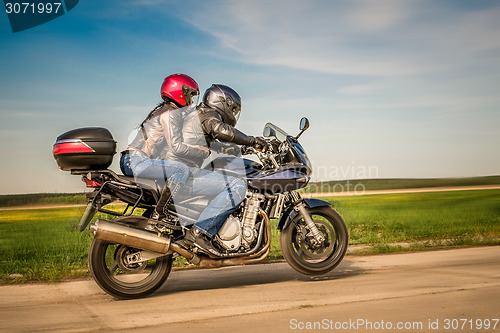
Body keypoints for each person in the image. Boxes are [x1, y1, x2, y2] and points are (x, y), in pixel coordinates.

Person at [164, 84, 267, 253]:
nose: (233, 113)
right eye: (232, 108)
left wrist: (239, 149)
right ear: (222, 102)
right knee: (237, 186)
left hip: (179, 172)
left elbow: (212, 143)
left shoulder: (199, 115)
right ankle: (199, 233)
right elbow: (221, 131)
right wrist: (252, 141)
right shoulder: (207, 114)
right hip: (184, 174)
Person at [120, 74, 208, 220]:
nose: (192, 101)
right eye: (190, 95)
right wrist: (202, 152)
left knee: (159, 192)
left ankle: (148, 224)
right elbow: (177, 146)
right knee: (181, 170)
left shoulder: (164, 109)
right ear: (180, 92)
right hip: (137, 161)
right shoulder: (172, 113)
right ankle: (161, 213)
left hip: (130, 159)